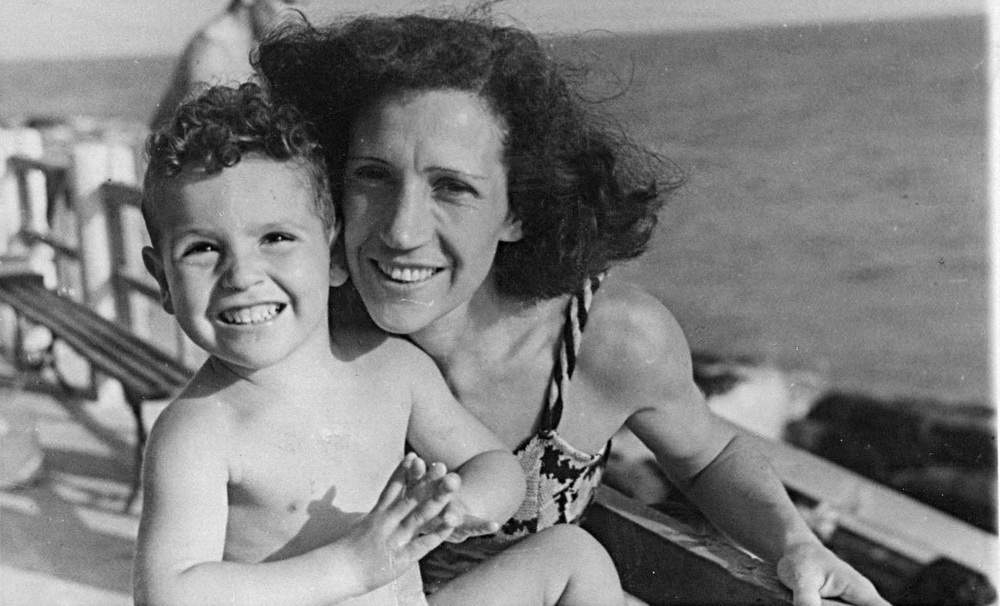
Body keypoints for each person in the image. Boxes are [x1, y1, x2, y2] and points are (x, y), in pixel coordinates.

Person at [255, 12, 892, 606]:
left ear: (518, 211)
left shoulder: (608, 339)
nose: (401, 229)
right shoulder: (302, 327)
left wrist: (796, 544)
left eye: (453, 187)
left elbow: (709, 456)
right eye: (373, 175)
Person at [133, 82, 626, 606]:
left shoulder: (391, 369)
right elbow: (169, 593)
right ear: (162, 280)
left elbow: (494, 464)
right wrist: (348, 567)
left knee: (574, 557)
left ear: (336, 254)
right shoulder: (198, 430)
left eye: (276, 238)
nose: (243, 275)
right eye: (203, 248)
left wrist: (461, 505)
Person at [149, 0, 303, 130]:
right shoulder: (213, 51)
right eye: (287, 1)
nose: (296, 14)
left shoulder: (256, 47)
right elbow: (204, 136)